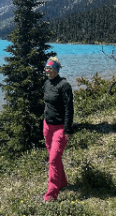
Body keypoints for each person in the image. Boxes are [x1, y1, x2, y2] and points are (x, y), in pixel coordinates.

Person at [42, 56, 74, 201]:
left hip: (60, 128)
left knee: (53, 159)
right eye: (46, 69)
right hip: (47, 126)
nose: (47, 71)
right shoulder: (47, 84)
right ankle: (62, 183)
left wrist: (68, 130)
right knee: (54, 158)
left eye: (50, 69)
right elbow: (47, 104)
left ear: (56, 70)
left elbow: (69, 109)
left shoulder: (64, 85)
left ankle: (51, 196)